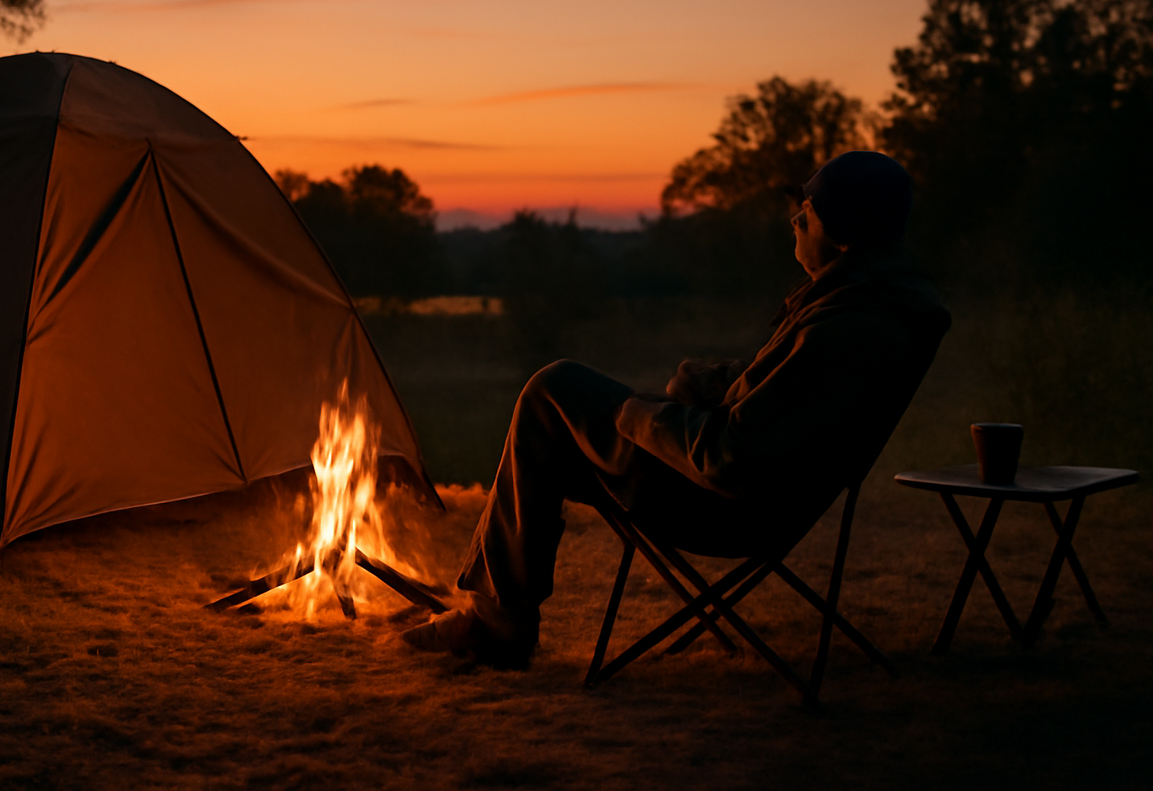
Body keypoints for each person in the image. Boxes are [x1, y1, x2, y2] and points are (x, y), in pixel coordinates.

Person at [403, 151, 951, 667]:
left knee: (553, 389)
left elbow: (732, 457)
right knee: (551, 429)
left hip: (723, 509)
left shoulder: (848, 328)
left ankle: (497, 624)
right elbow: (772, 396)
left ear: (845, 236)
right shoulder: (866, 307)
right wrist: (705, 382)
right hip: (755, 498)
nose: (794, 220)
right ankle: (497, 615)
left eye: (807, 212)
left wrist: (641, 414)